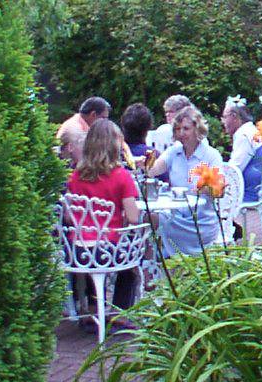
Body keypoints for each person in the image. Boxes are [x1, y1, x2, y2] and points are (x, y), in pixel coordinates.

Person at [65, 118, 142, 321]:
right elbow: (134, 217)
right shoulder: (121, 176)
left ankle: (90, 311)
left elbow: (68, 216)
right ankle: (118, 314)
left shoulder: (76, 175)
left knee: (89, 259)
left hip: (76, 251)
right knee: (131, 265)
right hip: (106, 249)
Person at [146, 106, 223, 257]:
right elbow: (153, 170)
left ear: (197, 129)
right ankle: (153, 266)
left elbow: (219, 190)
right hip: (177, 216)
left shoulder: (211, 155)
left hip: (201, 221)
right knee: (149, 218)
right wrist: (145, 165)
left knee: (156, 222)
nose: (181, 133)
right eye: (178, 129)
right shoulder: (175, 151)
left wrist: (202, 187)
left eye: (186, 128)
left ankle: (159, 263)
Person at [221, 98, 262, 241]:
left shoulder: (243, 134)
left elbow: (234, 169)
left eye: (224, 117)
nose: (223, 122)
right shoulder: (251, 130)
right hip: (259, 186)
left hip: (251, 191)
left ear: (234, 117)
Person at [56, 96, 111, 166]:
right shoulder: (77, 131)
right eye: (103, 118)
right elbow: (84, 163)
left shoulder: (78, 123)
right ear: (93, 114)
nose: (105, 122)